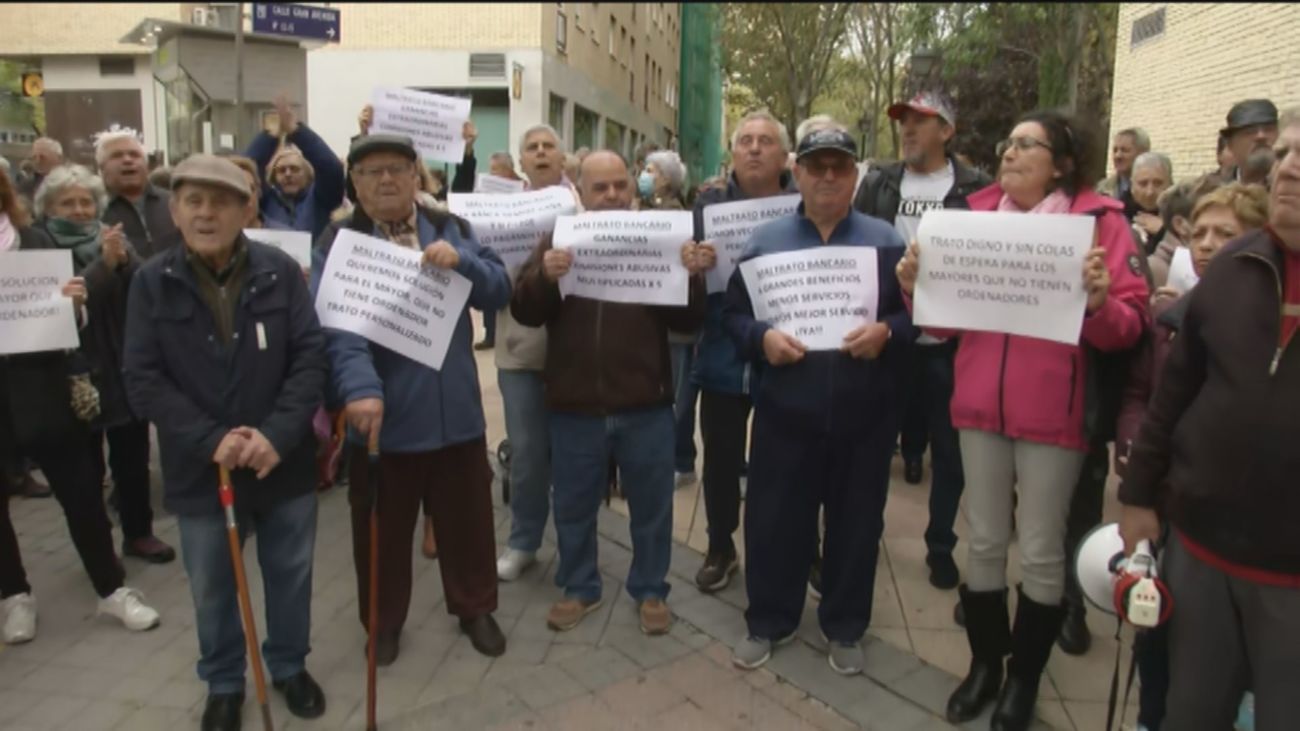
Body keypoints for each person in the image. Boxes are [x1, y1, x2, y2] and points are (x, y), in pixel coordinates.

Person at [897, 110, 1149, 730]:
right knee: (982, 540)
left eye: (1026, 145)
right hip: (979, 405)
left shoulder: (1102, 225)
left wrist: (1097, 304)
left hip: (1054, 415)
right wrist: (913, 287)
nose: (1008, 153)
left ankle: (1022, 682)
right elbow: (940, 323)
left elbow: (1129, 328)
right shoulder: (971, 218)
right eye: (1006, 142)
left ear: (1062, 162)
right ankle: (985, 666)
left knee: (1038, 551)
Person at [122, 154, 327, 731]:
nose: (206, 213)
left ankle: (288, 666)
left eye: (221, 201)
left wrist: (277, 435)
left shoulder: (279, 272)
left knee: (291, 573)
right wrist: (211, 439)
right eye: (193, 201)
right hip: (201, 471)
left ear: (246, 210)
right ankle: (223, 681)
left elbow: (310, 359)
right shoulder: (151, 282)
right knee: (213, 586)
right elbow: (142, 379)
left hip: (279, 464)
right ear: (175, 210)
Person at [1118, 108, 1300, 731]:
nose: (1290, 170)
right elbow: (1171, 395)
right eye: (1286, 156)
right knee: (1190, 713)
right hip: (1201, 549)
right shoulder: (1233, 269)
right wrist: (1139, 496)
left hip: (1292, 576)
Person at [314, 134, 510, 664]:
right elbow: (337, 330)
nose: (385, 180)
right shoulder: (339, 241)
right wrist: (360, 391)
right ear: (354, 183)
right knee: (381, 531)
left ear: (414, 174)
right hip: (383, 418)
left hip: (456, 415)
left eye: (397, 169)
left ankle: (474, 607)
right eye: (371, 171)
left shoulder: (452, 228)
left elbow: (499, 290)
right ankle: (383, 623)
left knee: (468, 522)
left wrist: (463, 262)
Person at [725, 126, 914, 675]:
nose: (828, 176)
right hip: (785, 412)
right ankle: (768, 619)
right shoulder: (764, 241)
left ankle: (846, 624)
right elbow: (733, 318)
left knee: (857, 524)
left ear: (855, 175)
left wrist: (887, 334)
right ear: (798, 172)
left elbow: (913, 317)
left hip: (865, 415)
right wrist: (761, 340)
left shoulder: (885, 241)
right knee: (774, 520)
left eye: (839, 166)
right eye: (817, 166)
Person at [511, 150, 707, 636]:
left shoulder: (661, 240)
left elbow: (689, 321)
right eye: (601, 187)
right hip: (575, 406)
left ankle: (651, 589)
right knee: (573, 504)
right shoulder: (557, 239)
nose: (614, 195)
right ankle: (579, 586)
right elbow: (524, 310)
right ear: (580, 188)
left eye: (621, 184)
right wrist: (544, 277)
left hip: (646, 404)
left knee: (652, 506)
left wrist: (691, 276)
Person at [0, 165, 161, 647]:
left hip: (43, 383)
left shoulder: (33, 241)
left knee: (82, 493)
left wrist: (72, 306)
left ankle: (111, 588)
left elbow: (75, 307)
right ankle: (14, 595)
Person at [854, 91, 992, 591]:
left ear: (947, 131)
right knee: (869, 443)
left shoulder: (978, 190)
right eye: (904, 122)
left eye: (921, 121)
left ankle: (940, 546)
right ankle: (863, 534)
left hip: (950, 346)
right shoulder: (879, 183)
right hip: (890, 335)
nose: (908, 130)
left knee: (950, 453)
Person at [32, 164, 176, 563]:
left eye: (85, 202)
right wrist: (102, 267)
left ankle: (139, 533)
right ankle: (98, 549)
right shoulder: (40, 247)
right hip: (75, 375)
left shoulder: (111, 238)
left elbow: (144, 282)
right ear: (49, 208)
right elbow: (65, 308)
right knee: (86, 470)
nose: (79, 210)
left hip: (120, 363)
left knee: (132, 461)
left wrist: (123, 260)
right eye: (68, 203)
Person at [690, 111, 796, 593]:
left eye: (766, 141)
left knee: (794, 455)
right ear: (732, 153)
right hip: (722, 350)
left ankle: (799, 547)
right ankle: (720, 545)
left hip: (789, 350)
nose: (754, 148)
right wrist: (692, 266)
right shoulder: (706, 207)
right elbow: (682, 282)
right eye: (746, 141)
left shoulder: (804, 203)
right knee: (720, 458)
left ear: (784, 155)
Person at [494, 124, 577, 581]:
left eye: (550, 147)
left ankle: (573, 544)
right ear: (521, 161)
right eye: (533, 147)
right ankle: (524, 541)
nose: (542, 152)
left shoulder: (588, 208)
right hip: (520, 350)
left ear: (563, 160)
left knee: (572, 455)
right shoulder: (499, 212)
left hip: (576, 352)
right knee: (527, 453)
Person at [245, 95, 345, 239]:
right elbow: (245, 169)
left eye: (294, 169)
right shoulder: (264, 201)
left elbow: (331, 168)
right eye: (281, 170)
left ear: (307, 173)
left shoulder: (321, 199)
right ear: (273, 176)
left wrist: (296, 132)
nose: (287, 174)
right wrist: (271, 137)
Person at [98, 128, 179, 260]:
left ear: (146, 165)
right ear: (102, 168)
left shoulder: (174, 202)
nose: (128, 160)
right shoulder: (96, 209)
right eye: (117, 155)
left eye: (135, 155)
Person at [1220, 99, 1278, 184]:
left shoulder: (1292, 185)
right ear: (1230, 145)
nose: (1261, 136)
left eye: (1268, 129)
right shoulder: (1211, 191)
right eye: (1250, 131)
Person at [1097, 127, 1151, 217]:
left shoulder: (1156, 191)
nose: (1118, 156)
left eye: (1125, 150)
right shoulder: (1101, 189)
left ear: (1143, 153)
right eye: (1115, 150)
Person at [1129, 152, 1175, 255]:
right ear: (1132, 185)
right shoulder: (1118, 213)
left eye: (1158, 183)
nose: (1150, 192)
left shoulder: (1182, 215)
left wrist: (1163, 230)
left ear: (1170, 184)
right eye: (1143, 184)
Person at [16, 137, 63, 201]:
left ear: (58, 158)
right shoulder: (26, 186)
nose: (38, 161)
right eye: (34, 157)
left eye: (42, 157)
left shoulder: (70, 184)